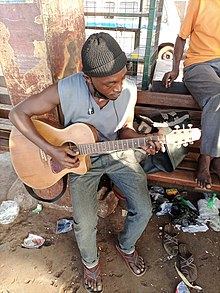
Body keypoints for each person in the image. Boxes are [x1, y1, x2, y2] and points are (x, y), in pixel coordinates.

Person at [9, 32, 164, 293]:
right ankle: (90, 263)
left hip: (117, 154)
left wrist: (140, 140)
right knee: (85, 221)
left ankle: (125, 245)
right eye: (109, 83)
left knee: (144, 209)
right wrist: (52, 150)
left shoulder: (127, 91)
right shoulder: (67, 88)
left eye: (122, 78)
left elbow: (125, 129)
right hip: (79, 160)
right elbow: (17, 113)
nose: (118, 87)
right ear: (87, 78)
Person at [162, 0, 220, 189]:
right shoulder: (200, 1)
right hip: (200, 63)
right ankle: (206, 159)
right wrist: (175, 68)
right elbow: (181, 37)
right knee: (218, 97)